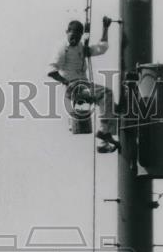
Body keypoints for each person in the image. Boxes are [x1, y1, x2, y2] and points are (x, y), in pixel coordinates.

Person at [48, 17, 119, 153]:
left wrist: (105, 28)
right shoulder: (62, 49)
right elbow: (51, 70)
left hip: (83, 85)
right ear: (67, 32)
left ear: (81, 36)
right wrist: (67, 83)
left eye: (77, 36)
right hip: (74, 87)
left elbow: (101, 48)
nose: (74, 39)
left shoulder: (81, 46)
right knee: (106, 93)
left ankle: (103, 144)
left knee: (112, 107)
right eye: (72, 36)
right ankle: (104, 132)